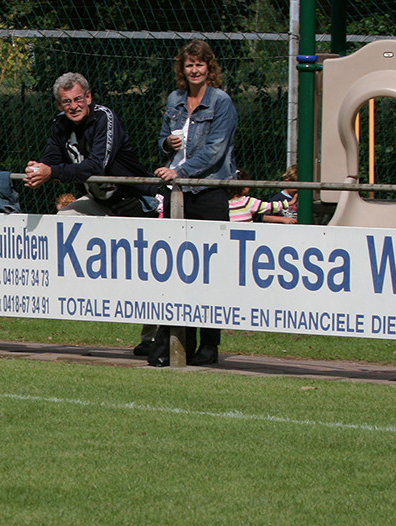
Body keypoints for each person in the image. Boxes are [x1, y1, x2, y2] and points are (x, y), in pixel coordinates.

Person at [23, 72, 158, 355]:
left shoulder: (104, 118)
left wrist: (52, 172)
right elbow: (51, 160)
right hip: (98, 202)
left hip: (134, 203)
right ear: (59, 105)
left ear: (88, 97)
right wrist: (37, 170)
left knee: (148, 275)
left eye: (77, 99)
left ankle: (153, 339)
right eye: (66, 102)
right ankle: (88, 290)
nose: (73, 106)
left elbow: (97, 165)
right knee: (65, 219)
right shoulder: (60, 124)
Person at [152, 40, 238, 367]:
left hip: (209, 190)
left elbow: (215, 150)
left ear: (209, 67)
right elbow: (163, 139)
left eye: (200, 64)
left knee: (210, 271)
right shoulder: (175, 99)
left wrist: (181, 171)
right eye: (189, 65)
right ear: (182, 68)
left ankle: (209, 344)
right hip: (178, 192)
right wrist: (167, 143)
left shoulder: (221, 102)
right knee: (178, 269)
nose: (195, 70)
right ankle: (179, 340)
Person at [228, 168, 294, 223]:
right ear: (244, 186)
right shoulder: (247, 202)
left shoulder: (226, 204)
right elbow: (269, 207)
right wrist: (288, 203)